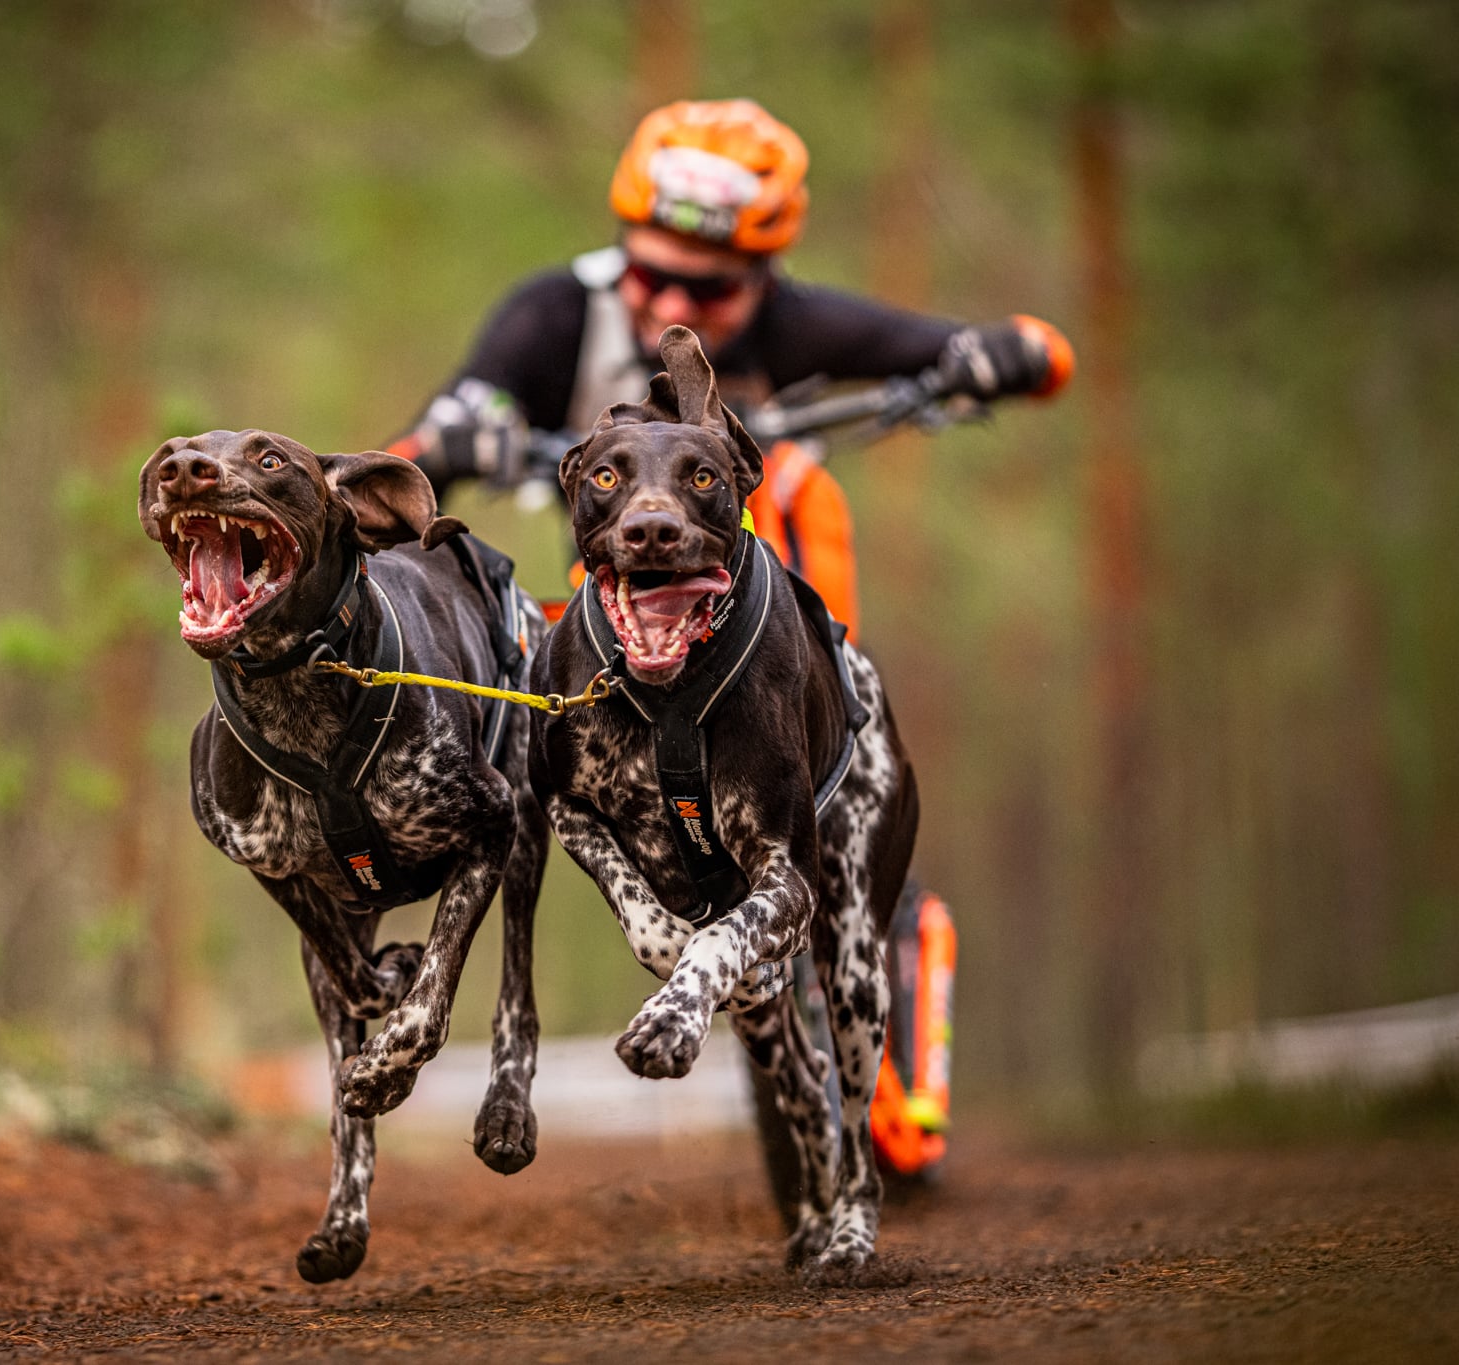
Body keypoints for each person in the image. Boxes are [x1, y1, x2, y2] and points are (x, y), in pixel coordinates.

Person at [391, 98, 1072, 1180]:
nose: (671, 300)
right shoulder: (551, 317)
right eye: (647, 271)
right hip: (602, 616)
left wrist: (991, 353)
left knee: (807, 516)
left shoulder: (794, 326)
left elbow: (978, 347)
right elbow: (417, 447)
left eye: (707, 288)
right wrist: (456, 430)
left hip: (771, 592)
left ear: (761, 273)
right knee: (519, 731)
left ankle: (848, 831)